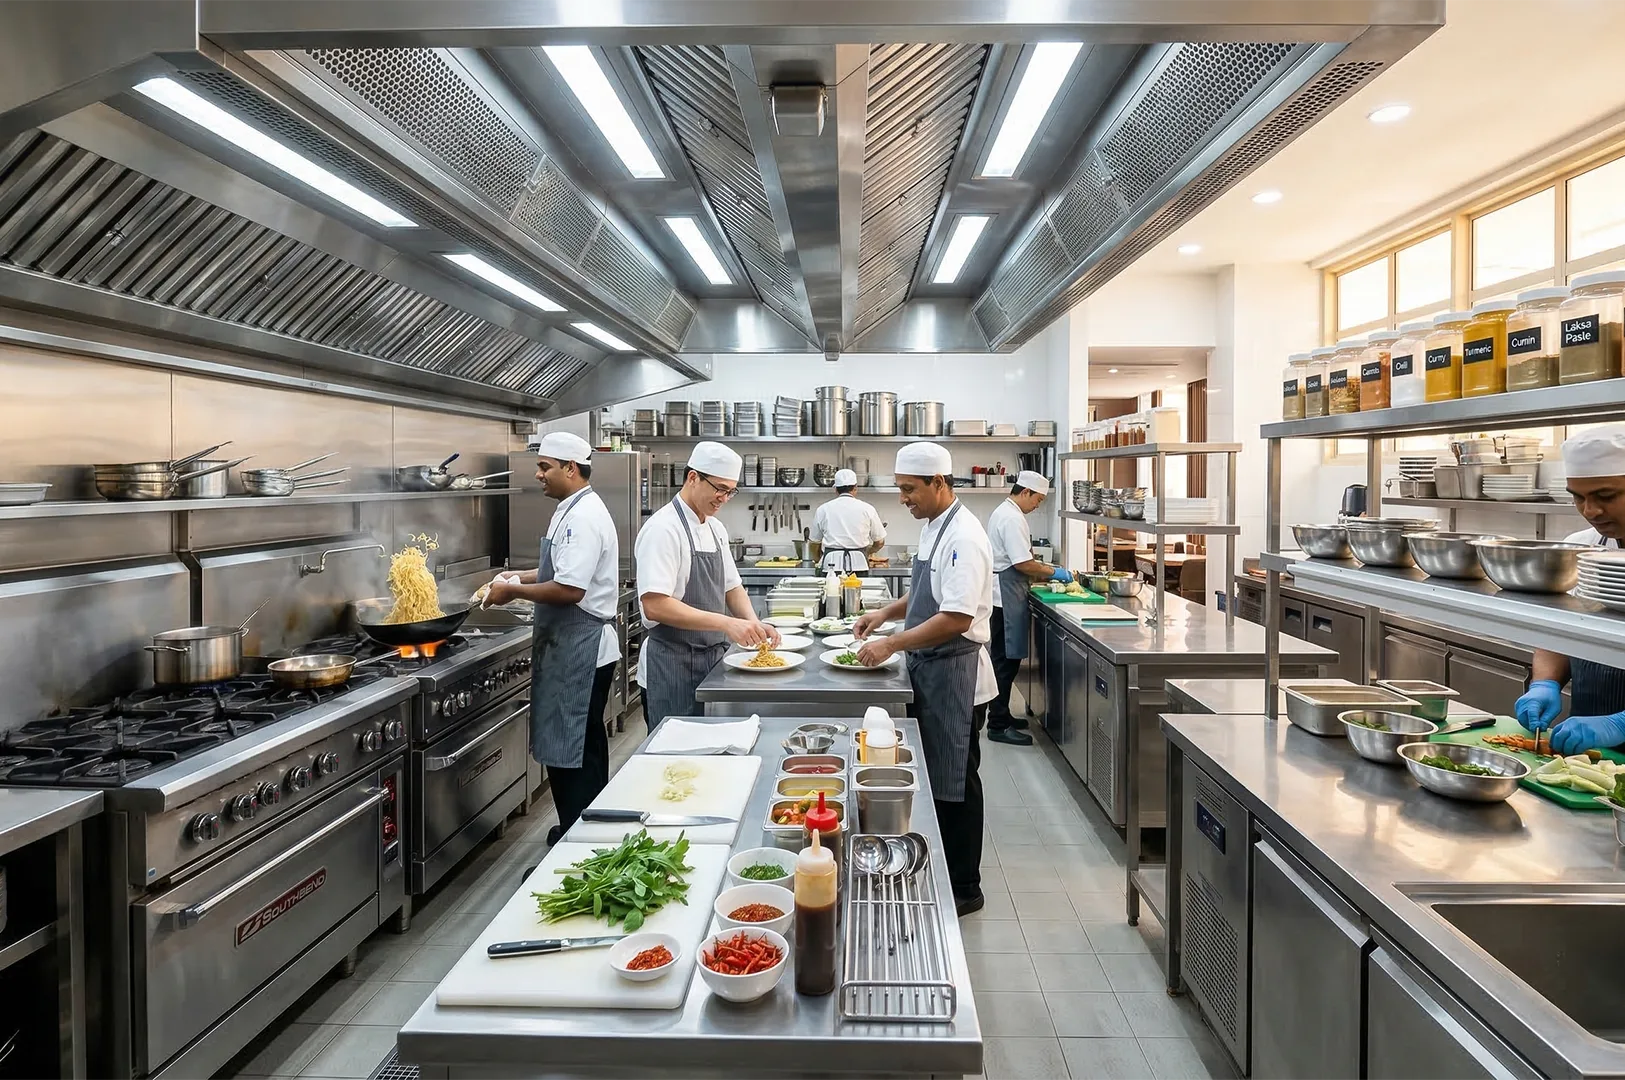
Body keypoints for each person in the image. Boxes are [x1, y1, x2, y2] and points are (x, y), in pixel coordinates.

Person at [853, 442, 995, 917]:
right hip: (931, 668)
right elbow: (924, 591)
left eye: (909, 489)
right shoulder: (936, 526)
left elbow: (955, 617)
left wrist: (892, 644)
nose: (903, 499)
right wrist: (885, 613)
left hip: (956, 672)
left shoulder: (965, 538)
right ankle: (944, 872)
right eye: (900, 489)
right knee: (936, 776)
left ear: (939, 482)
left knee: (955, 781)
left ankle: (965, 888)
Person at [482, 433, 619, 847]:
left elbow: (569, 590)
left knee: (572, 751)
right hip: (572, 646)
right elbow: (556, 570)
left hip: (580, 645)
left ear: (571, 469)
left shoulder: (584, 517)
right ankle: (585, 830)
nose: (538, 474)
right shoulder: (570, 509)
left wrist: (511, 592)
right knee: (582, 745)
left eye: (545, 467)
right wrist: (518, 577)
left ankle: (577, 847)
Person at [636, 441, 779, 731]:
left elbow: (731, 586)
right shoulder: (663, 529)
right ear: (692, 478)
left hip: (712, 662)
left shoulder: (715, 528)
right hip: (672, 665)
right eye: (720, 488)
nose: (724, 498)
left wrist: (754, 624)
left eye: (730, 491)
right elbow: (655, 604)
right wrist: (727, 624)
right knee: (676, 759)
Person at [1516, 425, 1625, 755]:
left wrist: (1619, 723)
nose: (1590, 511)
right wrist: (1544, 683)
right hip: (1587, 749)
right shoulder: (1578, 548)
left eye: (1605, 496)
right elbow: (1559, 628)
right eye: (1578, 497)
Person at [985, 471, 1071, 746]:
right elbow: (1023, 563)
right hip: (1005, 597)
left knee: (1006, 662)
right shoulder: (1011, 518)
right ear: (1025, 492)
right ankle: (997, 725)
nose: (1038, 506)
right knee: (1005, 663)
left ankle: (1003, 715)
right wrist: (1055, 572)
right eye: (1038, 500)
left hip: (1006, 593)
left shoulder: (1006, 512)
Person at [810, 469, 887, 572]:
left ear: (836, 489)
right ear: (855, 488)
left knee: (831, 588)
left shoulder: (823, 509)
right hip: (859, 564)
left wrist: (818, 559)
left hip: (831, 565)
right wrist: (869, 551)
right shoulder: (867, 509)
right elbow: (880, 542)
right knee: (857, 588)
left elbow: (814, 543)